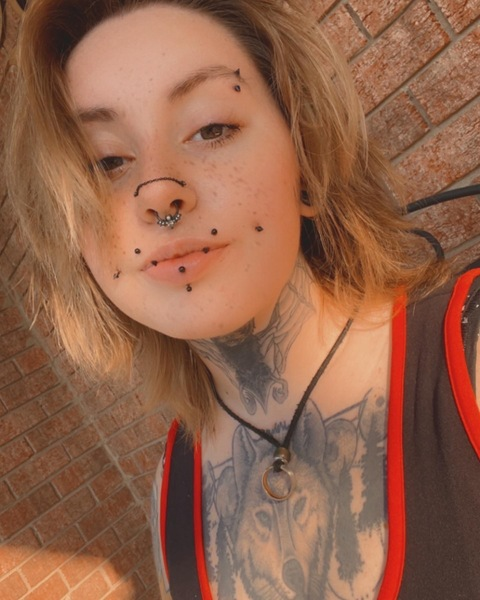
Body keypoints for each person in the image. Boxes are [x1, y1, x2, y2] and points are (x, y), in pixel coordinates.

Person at [5, 0, 480, 598]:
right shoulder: (172, 498)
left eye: (211, 128)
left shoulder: (470, 360)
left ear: (305, 161)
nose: (158, 193)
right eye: (106, 162)